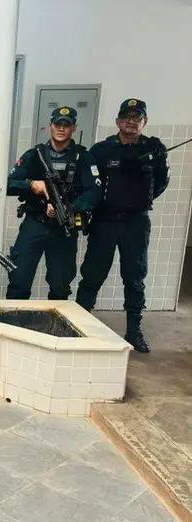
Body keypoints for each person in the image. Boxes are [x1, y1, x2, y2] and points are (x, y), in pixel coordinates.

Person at [76, 99, 169, 353]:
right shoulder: (101, 150)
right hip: (104, 221)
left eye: (136, 117)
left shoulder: (153, 150)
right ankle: (79, 327)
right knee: (92, 276)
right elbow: (88, 184)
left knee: (135, 278)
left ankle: (134, 331)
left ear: (144, 122)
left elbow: (160, 183)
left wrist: (137, 200)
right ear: (118, 121)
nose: (131, 121)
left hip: (136, 223)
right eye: (126, 117)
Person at [6, 106, 103, 300]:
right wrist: (31, 184)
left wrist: (68, 209)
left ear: (74, 128)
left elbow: (94, 192)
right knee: (19, 279)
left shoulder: (83, 158)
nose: (61, 129)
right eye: (57, 124)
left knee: (60, 285)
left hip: (64, 227)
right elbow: (9, 183)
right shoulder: (34, 155)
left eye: (66, 125)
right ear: (50, 126)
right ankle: (15, 318)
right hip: (34, 223)